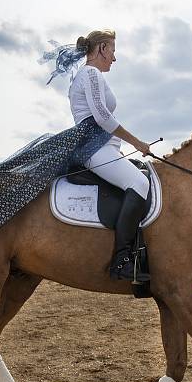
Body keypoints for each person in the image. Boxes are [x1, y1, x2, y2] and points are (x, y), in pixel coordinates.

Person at [67, 30, 152, 279]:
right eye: (113, 51)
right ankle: (121, 260)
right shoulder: (90, 73)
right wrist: (138, 142)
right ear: (102, 48)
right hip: (95, 148)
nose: (114, 58)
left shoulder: (86, 76)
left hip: (105, 147)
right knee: (139, 183)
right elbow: (102, 117)